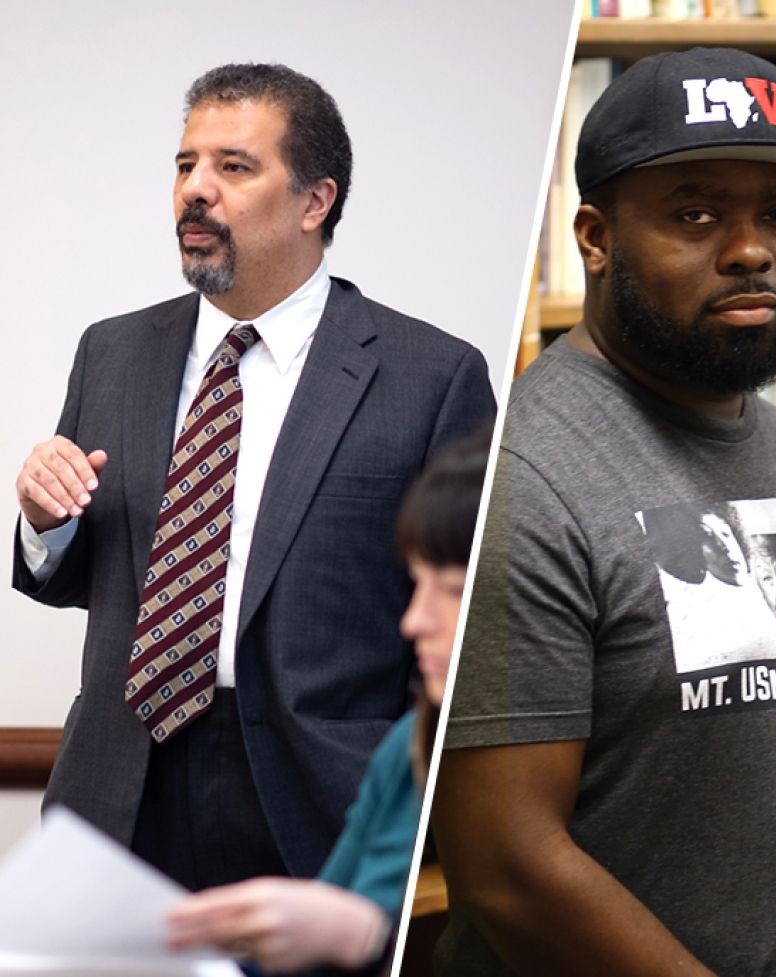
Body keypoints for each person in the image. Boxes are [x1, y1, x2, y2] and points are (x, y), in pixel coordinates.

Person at [430, 46, 776, 977]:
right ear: (596, 238)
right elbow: (507, 867)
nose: (750, 251)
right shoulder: (523, 474)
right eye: (695, 215)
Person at [12, 63, 495, 891]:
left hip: (319, 797)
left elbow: (469, 625)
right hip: (120, 781)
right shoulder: (113, 352)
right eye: (184, 165)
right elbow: (83, 579)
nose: (195, 190)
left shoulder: (432, 375)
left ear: (315, 201)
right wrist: (44, 520)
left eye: (233, 167)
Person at [166, 431, 489, 975]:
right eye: (416, 583)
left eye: (453, 589)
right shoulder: (403, 750)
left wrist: (364, 933)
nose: (414, 621)